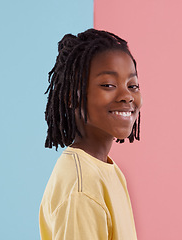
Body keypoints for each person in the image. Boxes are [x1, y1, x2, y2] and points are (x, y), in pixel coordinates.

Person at [39, 28, 142, 240]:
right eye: (108, 85)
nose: (127, 96)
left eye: (133, 85)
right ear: (71, 96)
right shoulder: (82, 188)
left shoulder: (108, 171)